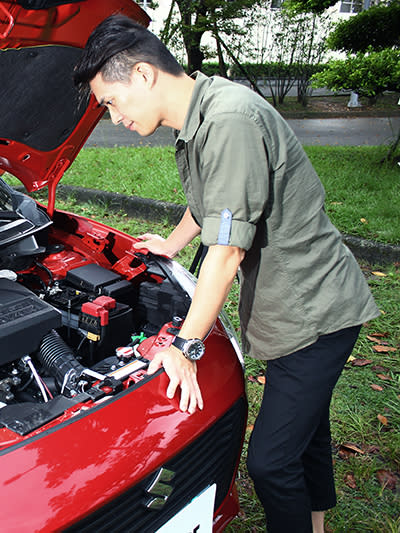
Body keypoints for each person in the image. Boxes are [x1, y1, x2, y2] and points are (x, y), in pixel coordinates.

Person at [73, 15, 379, 533]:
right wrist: (172, 242)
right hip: (297, 307)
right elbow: (216, 202)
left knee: (271, 461)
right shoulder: (204, 112)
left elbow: (227, 252)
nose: (113, 117)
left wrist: (186, 347)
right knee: (309, 432)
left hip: (314, 314)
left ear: (144, 75)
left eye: (111, 102)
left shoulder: (229, 121)